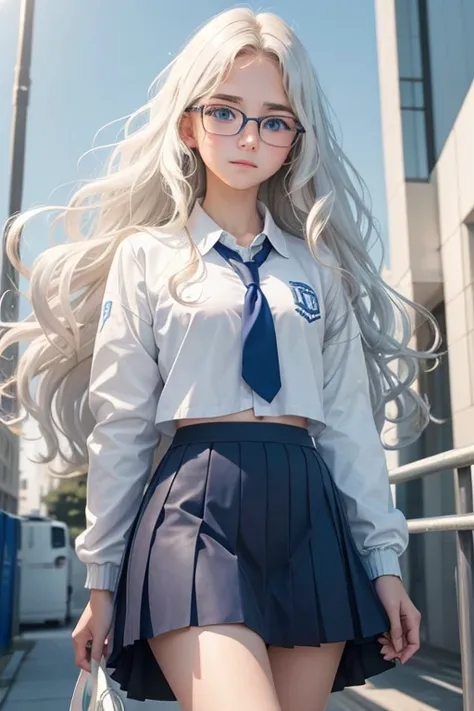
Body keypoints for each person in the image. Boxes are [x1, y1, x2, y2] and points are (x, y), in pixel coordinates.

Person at [0, 8, 440, 711]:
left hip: (307, 509)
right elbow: (123, 428)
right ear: (188, 123)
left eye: (274, 119)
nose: (248, 136)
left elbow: (350, 429)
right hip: (194, 510)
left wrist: (385, 564)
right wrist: (100, 579)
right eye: (226, 111)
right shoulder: (146, 258)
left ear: (296, 140)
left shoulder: (321, 271)